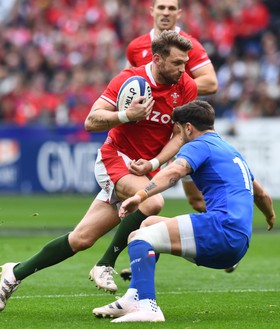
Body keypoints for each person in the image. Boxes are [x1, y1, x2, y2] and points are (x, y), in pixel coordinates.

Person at [0, 30, 198, 311]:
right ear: (158, 59)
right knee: (153, 201)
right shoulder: (129, 80)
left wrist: (152, 164)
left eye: (185, 62)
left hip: (142, 170)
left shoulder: (185, 86)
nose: (183, 69)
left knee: (81, 239)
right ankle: (105, 264)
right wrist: (126, 116)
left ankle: (15, 273)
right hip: (115, 158)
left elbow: (179, 135)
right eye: (177, 63)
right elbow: (91, 120)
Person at [92, 100, 276, 322]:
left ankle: (148, 307)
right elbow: (262, 195)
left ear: (188, 128)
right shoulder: (230, 150)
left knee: (139, 238)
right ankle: (133, 297)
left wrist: (140, 196)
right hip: (240, 242)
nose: (177, 138)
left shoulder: (197, 145)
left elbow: (173, 173)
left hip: (221, 230)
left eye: (177, 131)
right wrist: (269, 216)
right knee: (147, 225)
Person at [92, 0, 223, 286]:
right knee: (149, 203)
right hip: (136, 149)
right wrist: (133, 107)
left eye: (171, 8)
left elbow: (211, 84)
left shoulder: (189, 46)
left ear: (179, 13)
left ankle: (221, 243)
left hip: (174, 136)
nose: (165, 12)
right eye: (160, 7)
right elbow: (130, 87)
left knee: (195, 198)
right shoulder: (136, 47)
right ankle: (132, 257)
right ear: (150, 11)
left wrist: (172, 86)